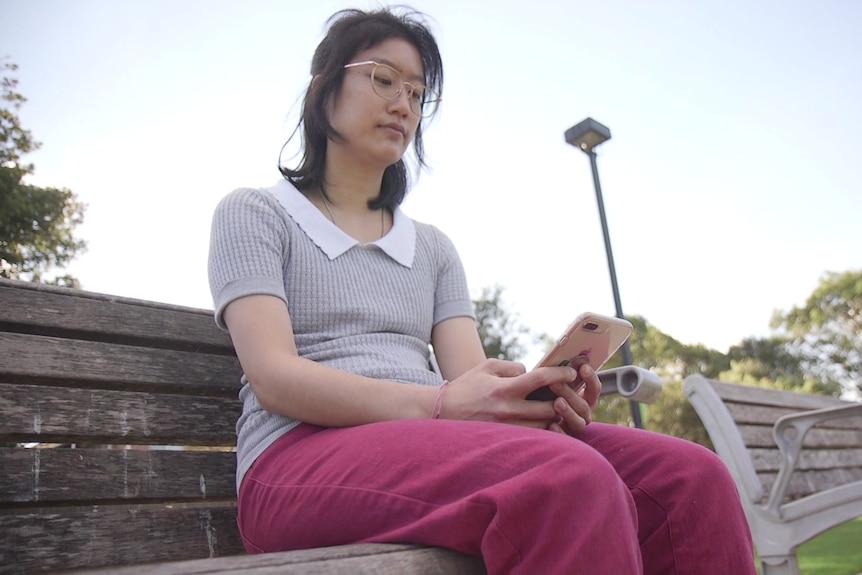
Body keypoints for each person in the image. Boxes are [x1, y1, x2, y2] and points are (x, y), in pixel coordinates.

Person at [207, 6, 756, 574]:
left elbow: (470, 383)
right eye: (384, 79)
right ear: (324, 88)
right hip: (295, 460)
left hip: (421, 447)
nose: (404, 104)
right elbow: (275, 378)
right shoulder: (256, 214)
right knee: (565, 480)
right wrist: (441, 404)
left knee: (692, 481)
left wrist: (533, 402)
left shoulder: (434, 249)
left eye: (419, 94)